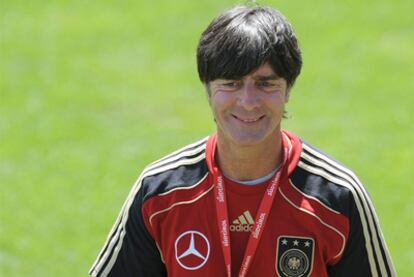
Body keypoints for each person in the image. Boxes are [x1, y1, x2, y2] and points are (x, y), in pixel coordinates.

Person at [89, 5, 396, 277]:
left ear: (288, 90)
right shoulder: (160, 193)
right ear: (208, 90)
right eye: (231, 83)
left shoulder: (337, 197)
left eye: (265, 84)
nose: (248, 101)